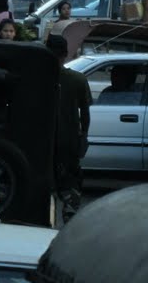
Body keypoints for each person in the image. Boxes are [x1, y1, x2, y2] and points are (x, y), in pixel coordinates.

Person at [47, 33, 92, 224]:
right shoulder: (77, 79)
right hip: (69, 141)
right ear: (65, 54)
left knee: (46, 182)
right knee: (70, 182)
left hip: (43, 140)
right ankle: (69, 218)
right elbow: (85, 114)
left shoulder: (36, 79)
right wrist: (84, 137)